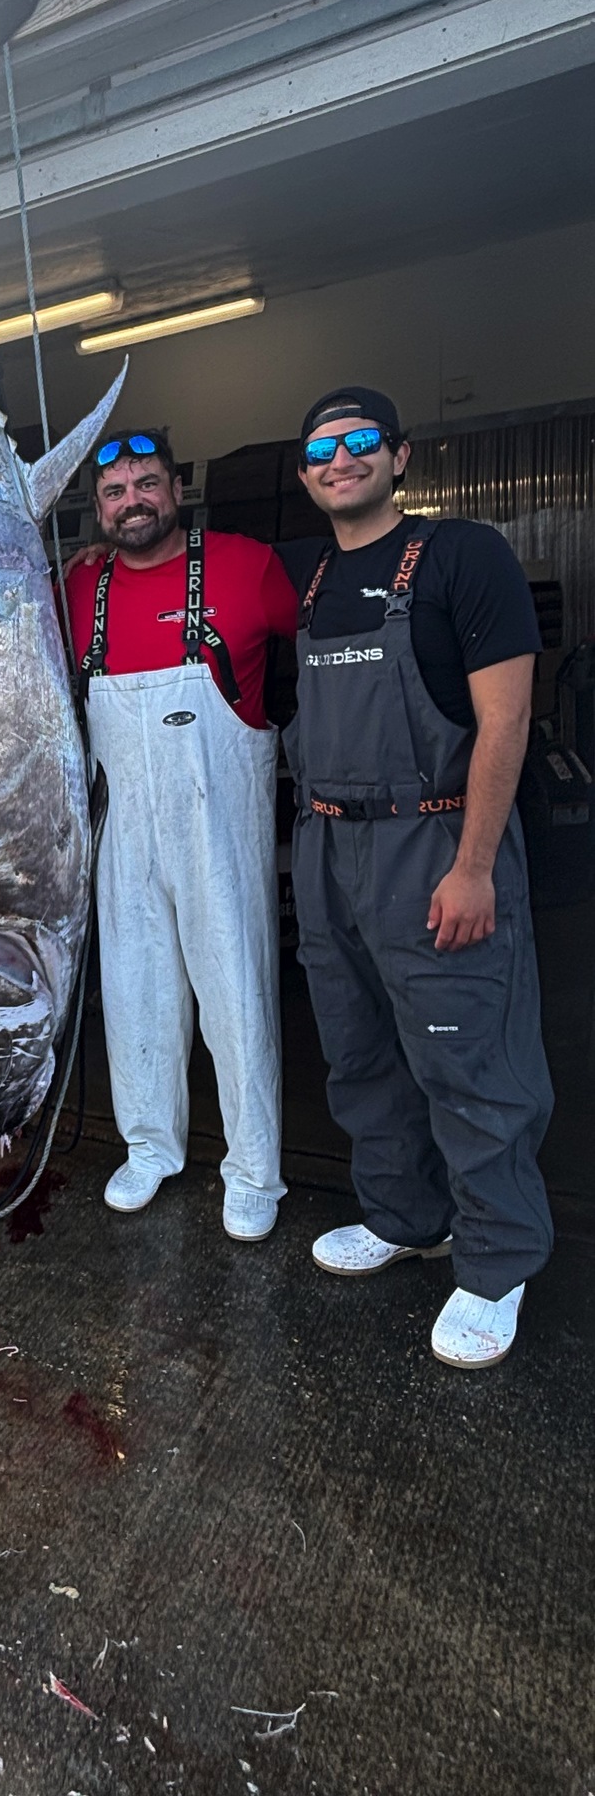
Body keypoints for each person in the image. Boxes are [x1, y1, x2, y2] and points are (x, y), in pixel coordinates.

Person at [279, 385, 553, 1368]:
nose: (338, 459)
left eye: (358, 442)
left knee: (467, 1057)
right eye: (319, 449)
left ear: (399, 456)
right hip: (330, 847)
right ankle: (406, 1215)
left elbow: (506, 721)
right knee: (360, 1052)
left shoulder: (462, 556)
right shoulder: (309, 577)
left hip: (433, 842)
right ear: (306, 472)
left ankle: (497, 1260)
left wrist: (475, 865)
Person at [64, 430, 299, 1239]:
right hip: (122, 827)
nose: (133, 501)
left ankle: (255, 1169)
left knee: (236, 994)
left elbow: (321, 659)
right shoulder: (79, 586)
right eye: (115, 491)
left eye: (147, 483)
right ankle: (150, 1145)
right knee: (134, 993)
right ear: (98, 509)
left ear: (177, 487)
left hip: (218, 826)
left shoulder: (247, 567)